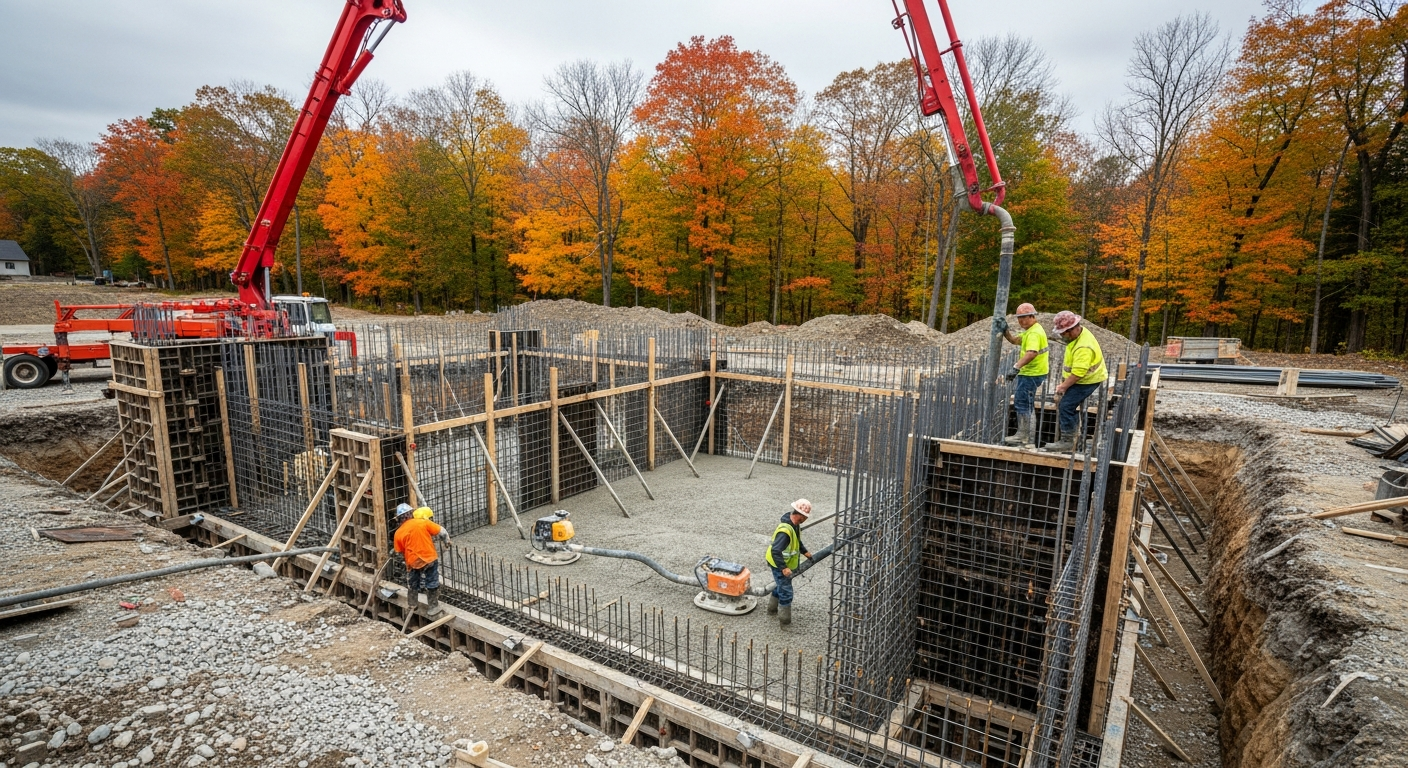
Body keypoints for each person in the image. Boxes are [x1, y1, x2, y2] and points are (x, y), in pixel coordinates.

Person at [1044, 311, 1107, 453]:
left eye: (1063, 333)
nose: (1062, 336)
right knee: (1066, 403)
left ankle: (1068, 441)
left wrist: (1063, 386)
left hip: (1088, 380)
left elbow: (1079, 373)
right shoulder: (1078, 335)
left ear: (1073, 329)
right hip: (1083, 377)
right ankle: (1072, 434)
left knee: (1066, 405)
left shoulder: (1083, 347)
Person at [997, 303, 1049, 446]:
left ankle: (1023, 436)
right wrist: (1006, 330)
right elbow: (1014, 340)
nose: (1021, 321)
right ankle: (1025, 435)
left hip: (1032, 374)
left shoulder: (1033, 333)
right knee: (1026, 403)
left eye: (1023, 318)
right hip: (1033, 373)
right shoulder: (1031, 331)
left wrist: (1016, 367)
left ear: (1032, 316)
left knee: (1022, 403)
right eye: (1019, 318)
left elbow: (1032, 353)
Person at [393, 503, 450, 615]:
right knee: (432, 581)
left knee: (412, 583)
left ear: (399, 519)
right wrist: (447, 541)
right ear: (411, 514)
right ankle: (433, 607)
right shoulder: (422, 522)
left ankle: (412, 604)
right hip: (429, 558)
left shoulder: (398, 533)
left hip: (413, 561)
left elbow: (399, 552)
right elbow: (441, 531)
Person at [764, 499, 814, 626]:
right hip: (778, 564)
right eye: (806, 517)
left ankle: (772, 609)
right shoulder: (785, 531)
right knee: (786, 591)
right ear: (801, 515)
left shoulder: (794, 525)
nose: (806, 519)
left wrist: (805, 551)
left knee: (780, 585)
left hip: (780, 563)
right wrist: (784, 568)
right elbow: (776, 551)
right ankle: (784, 621)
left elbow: (796, 541)